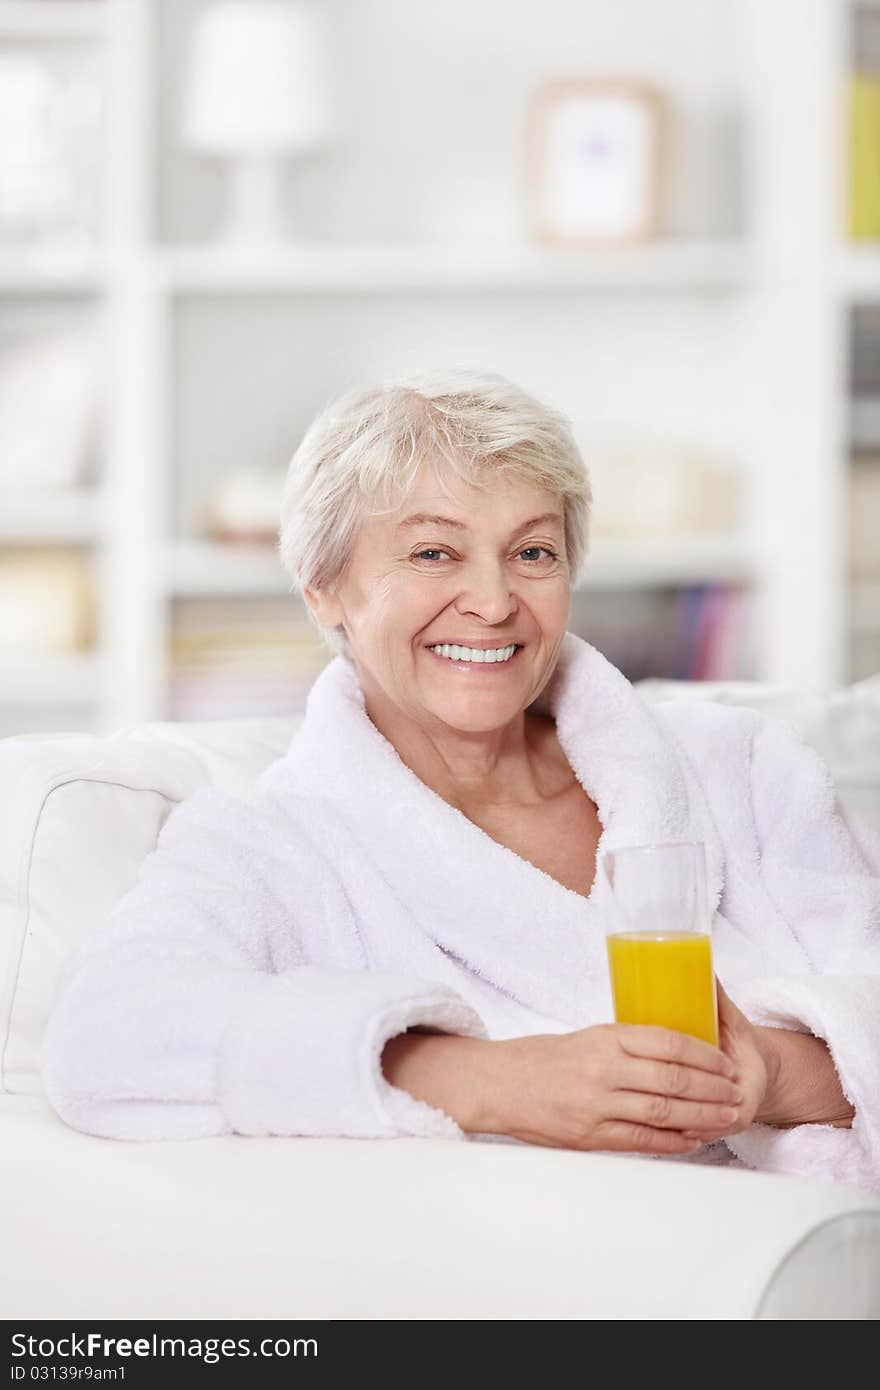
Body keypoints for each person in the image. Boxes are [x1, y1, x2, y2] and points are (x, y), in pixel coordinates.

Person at [41, 369, 879, 1193]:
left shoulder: (740, 767)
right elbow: (105, 1037)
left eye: (532, 552)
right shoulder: (268, 842)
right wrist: (485, 1080)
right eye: (434, 552)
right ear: (324, 589)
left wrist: (767, 1074)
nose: (493, 599)